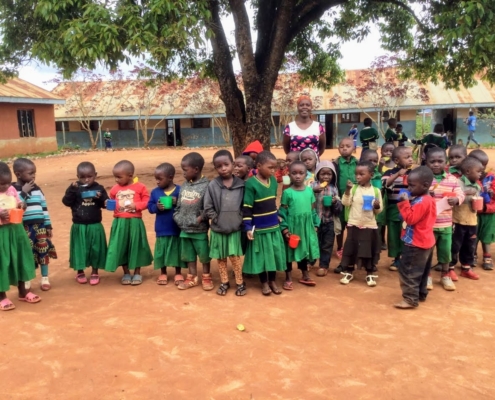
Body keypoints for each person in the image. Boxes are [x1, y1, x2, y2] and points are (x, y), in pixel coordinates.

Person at [242, 151, 287, 296]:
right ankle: (264, 282)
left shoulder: (273, 181)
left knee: (273, 254)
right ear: (259, 165)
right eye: (270, 167)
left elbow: (273, 201)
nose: (273, 171)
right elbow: (247, 208)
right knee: (261, 256)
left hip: (273, 226)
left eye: (275, 168)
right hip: (259, 228)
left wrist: (277, 215)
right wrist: (248, 227)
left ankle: (273, 280)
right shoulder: (250, 184)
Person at [204, 150, 246, 296]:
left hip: (234, 228)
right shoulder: (213, 185)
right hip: (218, 229)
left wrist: (239, 218)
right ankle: (224, 282)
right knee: (221, 258)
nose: (223, 168)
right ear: (215, 168)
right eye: (219, 166)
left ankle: (240, 283)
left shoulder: (241, 185)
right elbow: (208, 206)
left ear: (233, 165)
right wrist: (215, 218)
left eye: (226, 164)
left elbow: (245, 205)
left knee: (235, 258)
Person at [394, 166, 437, 309]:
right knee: (422, 270)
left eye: (412, 185)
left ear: (425, 185)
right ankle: (420, 293)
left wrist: (403, 203)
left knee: (409, 271)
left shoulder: (421, 201)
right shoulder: (427, 198)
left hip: (415, 243)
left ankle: (410, 299)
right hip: (426, 241)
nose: (409, 188)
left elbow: (411, 219)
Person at [104, 160, 153, 285]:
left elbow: (147, 202)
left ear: (130, 175)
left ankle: (137, 273)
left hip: (135, 222)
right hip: (119, 223)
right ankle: (126, 272)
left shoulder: (140, 187)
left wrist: (136, 205)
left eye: (119, 177)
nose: (116, 180)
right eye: (115, 177)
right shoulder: (115, 189)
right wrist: (107, 204)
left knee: (136, 246)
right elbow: (113, 202)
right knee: (121, 246)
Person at [0, 162, 41, 310]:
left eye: (7, 182)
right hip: (1, 233)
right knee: (2, 262)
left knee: (21, 258)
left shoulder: (11, 189)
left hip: (16, 230)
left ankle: (23, 292)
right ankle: (2, 297)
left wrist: (21, 205)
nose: (5, 187)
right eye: (1, 184)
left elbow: (18, 202)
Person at [13, 158, 57, 292]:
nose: (33, 176)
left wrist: (48, 225)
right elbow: (14, 205)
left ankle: (45, 277)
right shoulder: (12, 190)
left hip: (40, 227)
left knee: (43, 251)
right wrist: (24, 193)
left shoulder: (38, 189)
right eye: (30, 173)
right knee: (27, 253)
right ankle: (26, 280)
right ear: (18, 174)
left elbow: (44, 207)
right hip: (24, 228)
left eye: (34, 173)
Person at [62, 162, 109, 286]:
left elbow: (105, 204)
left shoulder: (99, 188)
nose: (86, 179)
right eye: (82, 177)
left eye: (90, 176)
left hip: (95, 225)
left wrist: (100, 198)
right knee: (79, 249)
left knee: (95, 249)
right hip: (79, 226)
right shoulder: (75, 188)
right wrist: (72, 190)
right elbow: (66, 202)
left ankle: (94, 271)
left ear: (95, 175)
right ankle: (80, 271)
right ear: (77, 176)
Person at [424, 148, 464, 291]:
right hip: (428, 225)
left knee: (445, 251)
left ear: (446, 162)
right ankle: (427, 276)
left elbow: (461, 194)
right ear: (426, 162)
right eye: (432, 161)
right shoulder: (425, 180)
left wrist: (456, 199)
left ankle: (445, 275)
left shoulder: (452, 180)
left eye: (440, 161)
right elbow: (414, 193)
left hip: (446, 224)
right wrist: (425, 193)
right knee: (427, 252)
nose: (436, 164)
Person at [339, 161, 383, 286]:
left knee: (368, 249)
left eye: (361, 174)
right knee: (352, 248)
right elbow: (345, 203)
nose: (357, 177)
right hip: (354, 223)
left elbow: (379, 211)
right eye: (356, 174)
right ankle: (349, 271)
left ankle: (369, 273)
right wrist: (347, 191)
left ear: (371, 175)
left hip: (369, 224)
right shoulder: (353, 189)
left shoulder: (375, 191)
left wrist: (377, 205)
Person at [173, 152, 212, 290]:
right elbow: (178, 205)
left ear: (196, 169)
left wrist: (199, 219)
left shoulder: (207, 185)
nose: (183, 173)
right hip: (184, 229)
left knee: (204, 255)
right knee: (189, 255)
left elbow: (209, 208)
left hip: (199, 229)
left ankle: (206, 276)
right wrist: (177, 217)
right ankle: (192, 277)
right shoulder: (184, 185)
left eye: (185, 170)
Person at [280, 161, 320, 289]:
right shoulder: (287, 193)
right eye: (294, 173)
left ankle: (305, 274)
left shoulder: (309, 191)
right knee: (289, 251)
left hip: (306, 227)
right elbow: (282, 212)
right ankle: (288, 277)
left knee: (304, 250)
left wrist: (315, 225)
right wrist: (285, 229)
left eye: (301, 173)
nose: (297, 176)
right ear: (289, 175)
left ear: (306, 175)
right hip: (292, 227)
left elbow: (313, 210)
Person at [147, 162, 186, 286]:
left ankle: (178, 272)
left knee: (176, 250)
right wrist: (157, 207)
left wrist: (178, 202)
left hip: (176, 228)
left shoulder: (180, 190)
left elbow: (186, 206)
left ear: (170, 177)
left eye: (160, 179)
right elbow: (150, 207)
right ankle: (163, 272)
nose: (157, 181)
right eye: (156, 179)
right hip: (162, 228)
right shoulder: (155, 192)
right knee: (161, 250)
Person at [382, 147, 414, 271]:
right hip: (394, 209)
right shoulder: (389, 173)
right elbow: (385, 184)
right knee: (394, 234)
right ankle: (396, 259)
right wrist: (397, 174)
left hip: (409, 209)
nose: (411, 159)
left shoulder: (413, 173)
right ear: (396, 160)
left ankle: (407, 258)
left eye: (411, 156)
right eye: (407, 157)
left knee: (408, 233)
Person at [451, 157, 484, 279]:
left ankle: (466, 267)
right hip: (458, 220)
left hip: (472, 220)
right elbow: (453, 198)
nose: (481, 174)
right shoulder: (457, 183)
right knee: (454, 245)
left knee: (470, 245)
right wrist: (465, 194)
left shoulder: (478, 186)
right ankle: (450, 267)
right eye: (478, 171)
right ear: (468, 171)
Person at [311, 160, 342, 277]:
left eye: (329, 174)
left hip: (329, 221)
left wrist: (335, 202)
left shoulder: (334, 189)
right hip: (315, 221)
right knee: (314, 243)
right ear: (317, 174)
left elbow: (338, 209)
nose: (325, 177)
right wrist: (313, 191)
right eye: (322, 174)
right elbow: (305, 197)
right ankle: (310, 262)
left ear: (333, 175)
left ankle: (324, 266)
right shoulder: (312, 186)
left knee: (327, 245)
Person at [333, 137, 358, 273]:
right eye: (341, 146)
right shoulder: (336, 163)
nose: (344, 148)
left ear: (354, 149)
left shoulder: (357, 163)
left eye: (348, 146)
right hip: (341, 199)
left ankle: (353, 247)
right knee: (340, 224)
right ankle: (340, 247)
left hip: (355, 200)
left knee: (352, 223)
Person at [469, 150, 495, 270]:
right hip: (474, 213)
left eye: (484, 165)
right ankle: (472, 255)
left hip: (489, 212)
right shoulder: (469, 179)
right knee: (474, 234)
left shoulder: (491, 178)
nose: (482, 169)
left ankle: (487, 255)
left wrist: (492, 193)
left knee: (487, 235)